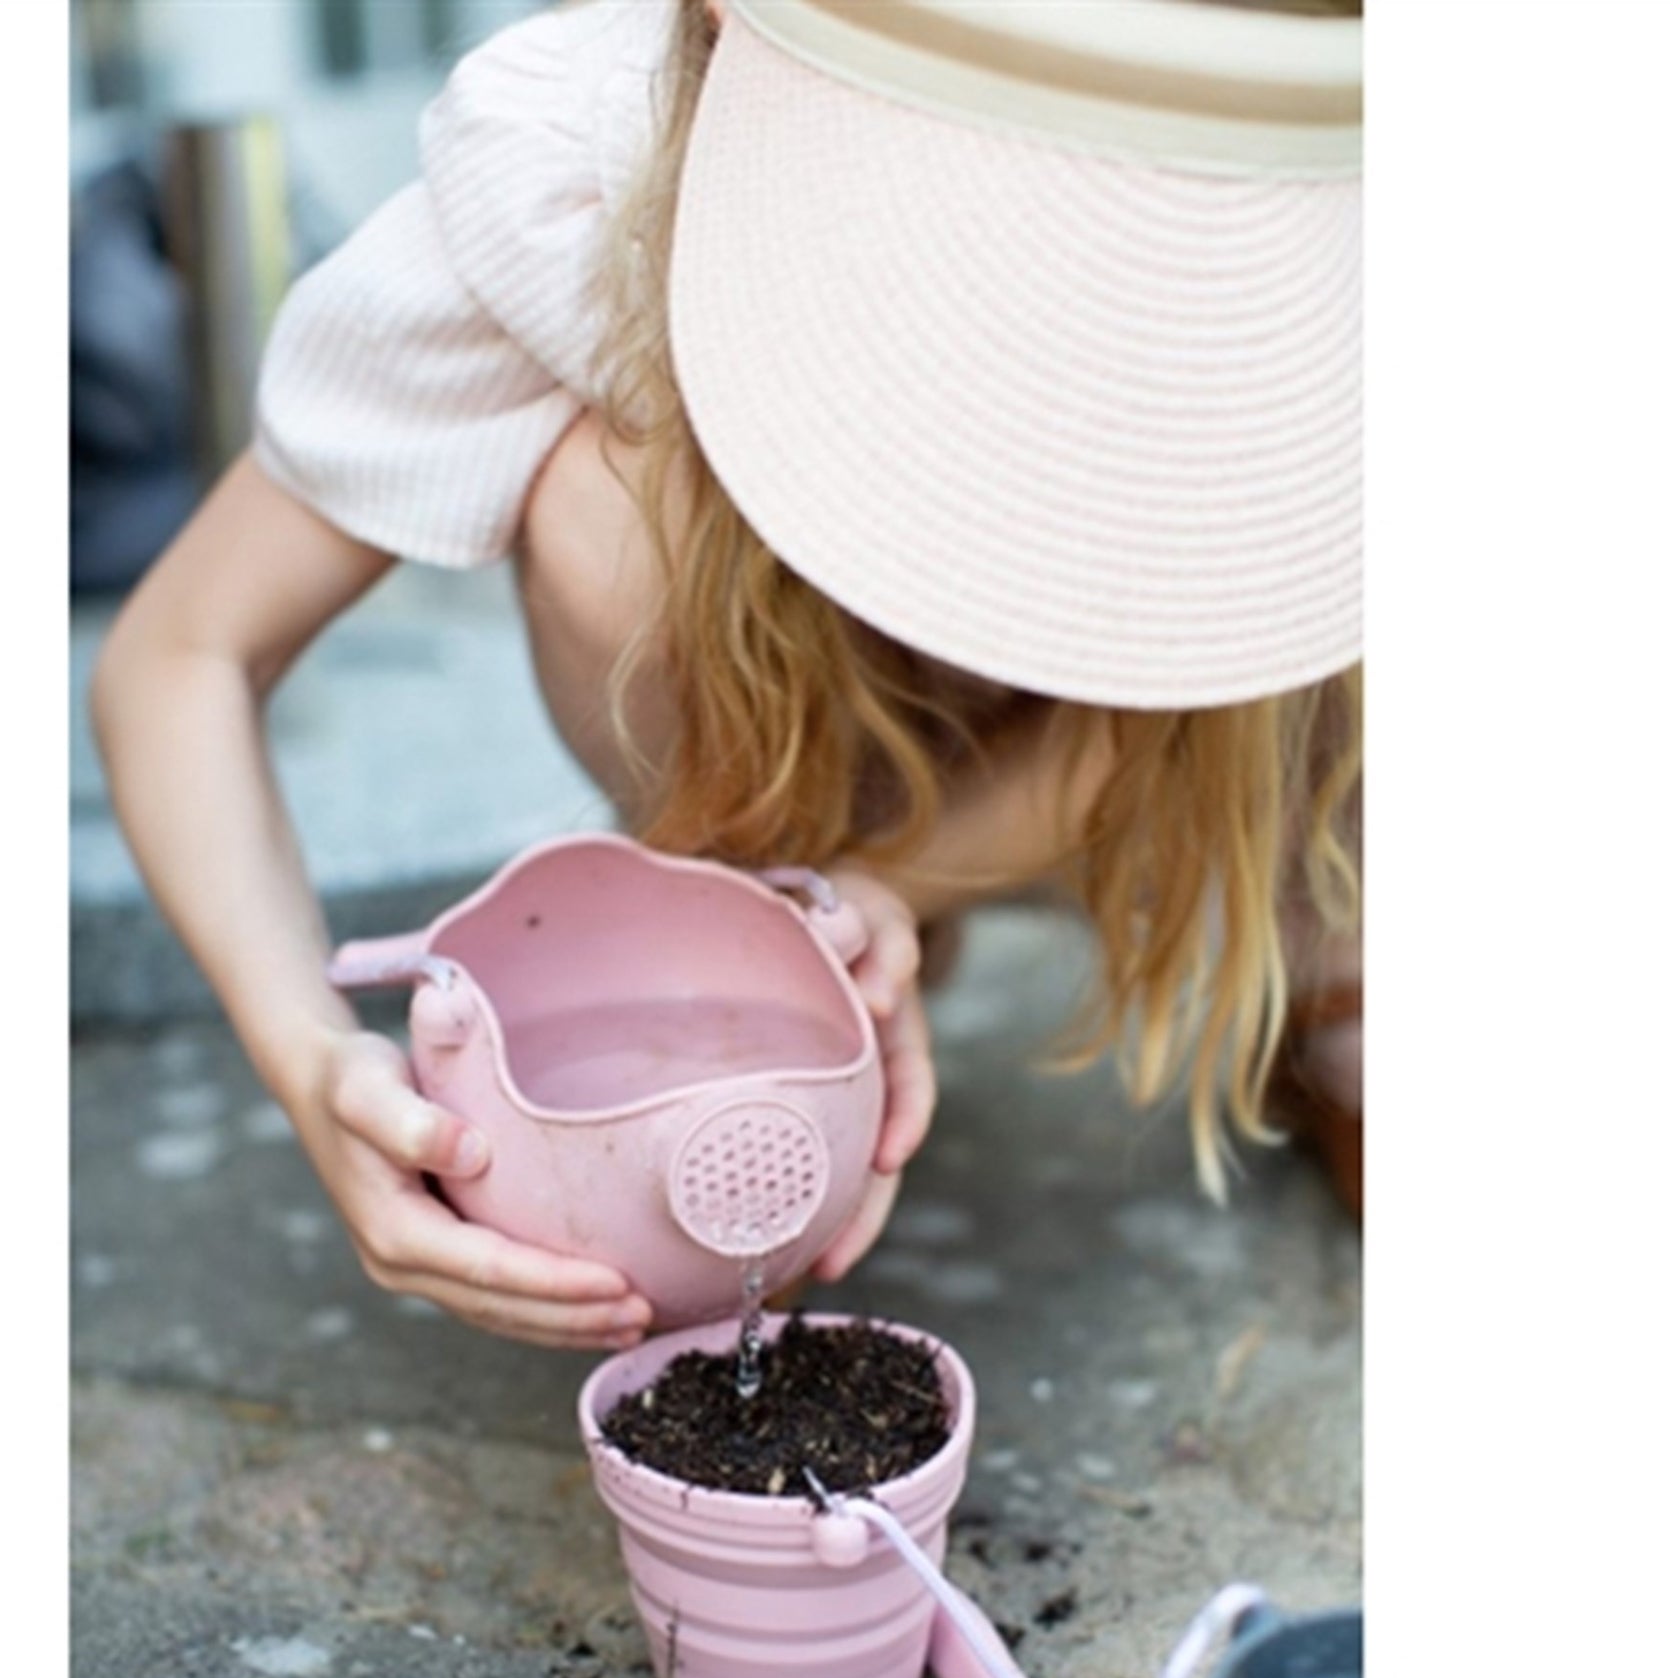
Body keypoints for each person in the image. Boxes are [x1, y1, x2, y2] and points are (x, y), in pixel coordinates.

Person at [93, 0, 1364, 1355]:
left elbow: (1218, 681)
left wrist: (907, 878)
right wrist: (309, 1056)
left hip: (1170, 730)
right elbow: (181, 658)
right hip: (822, 686)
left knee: (1325, 594)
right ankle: (779, 904)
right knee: (607, 508)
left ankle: (1321, 931)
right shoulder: (579, 164)